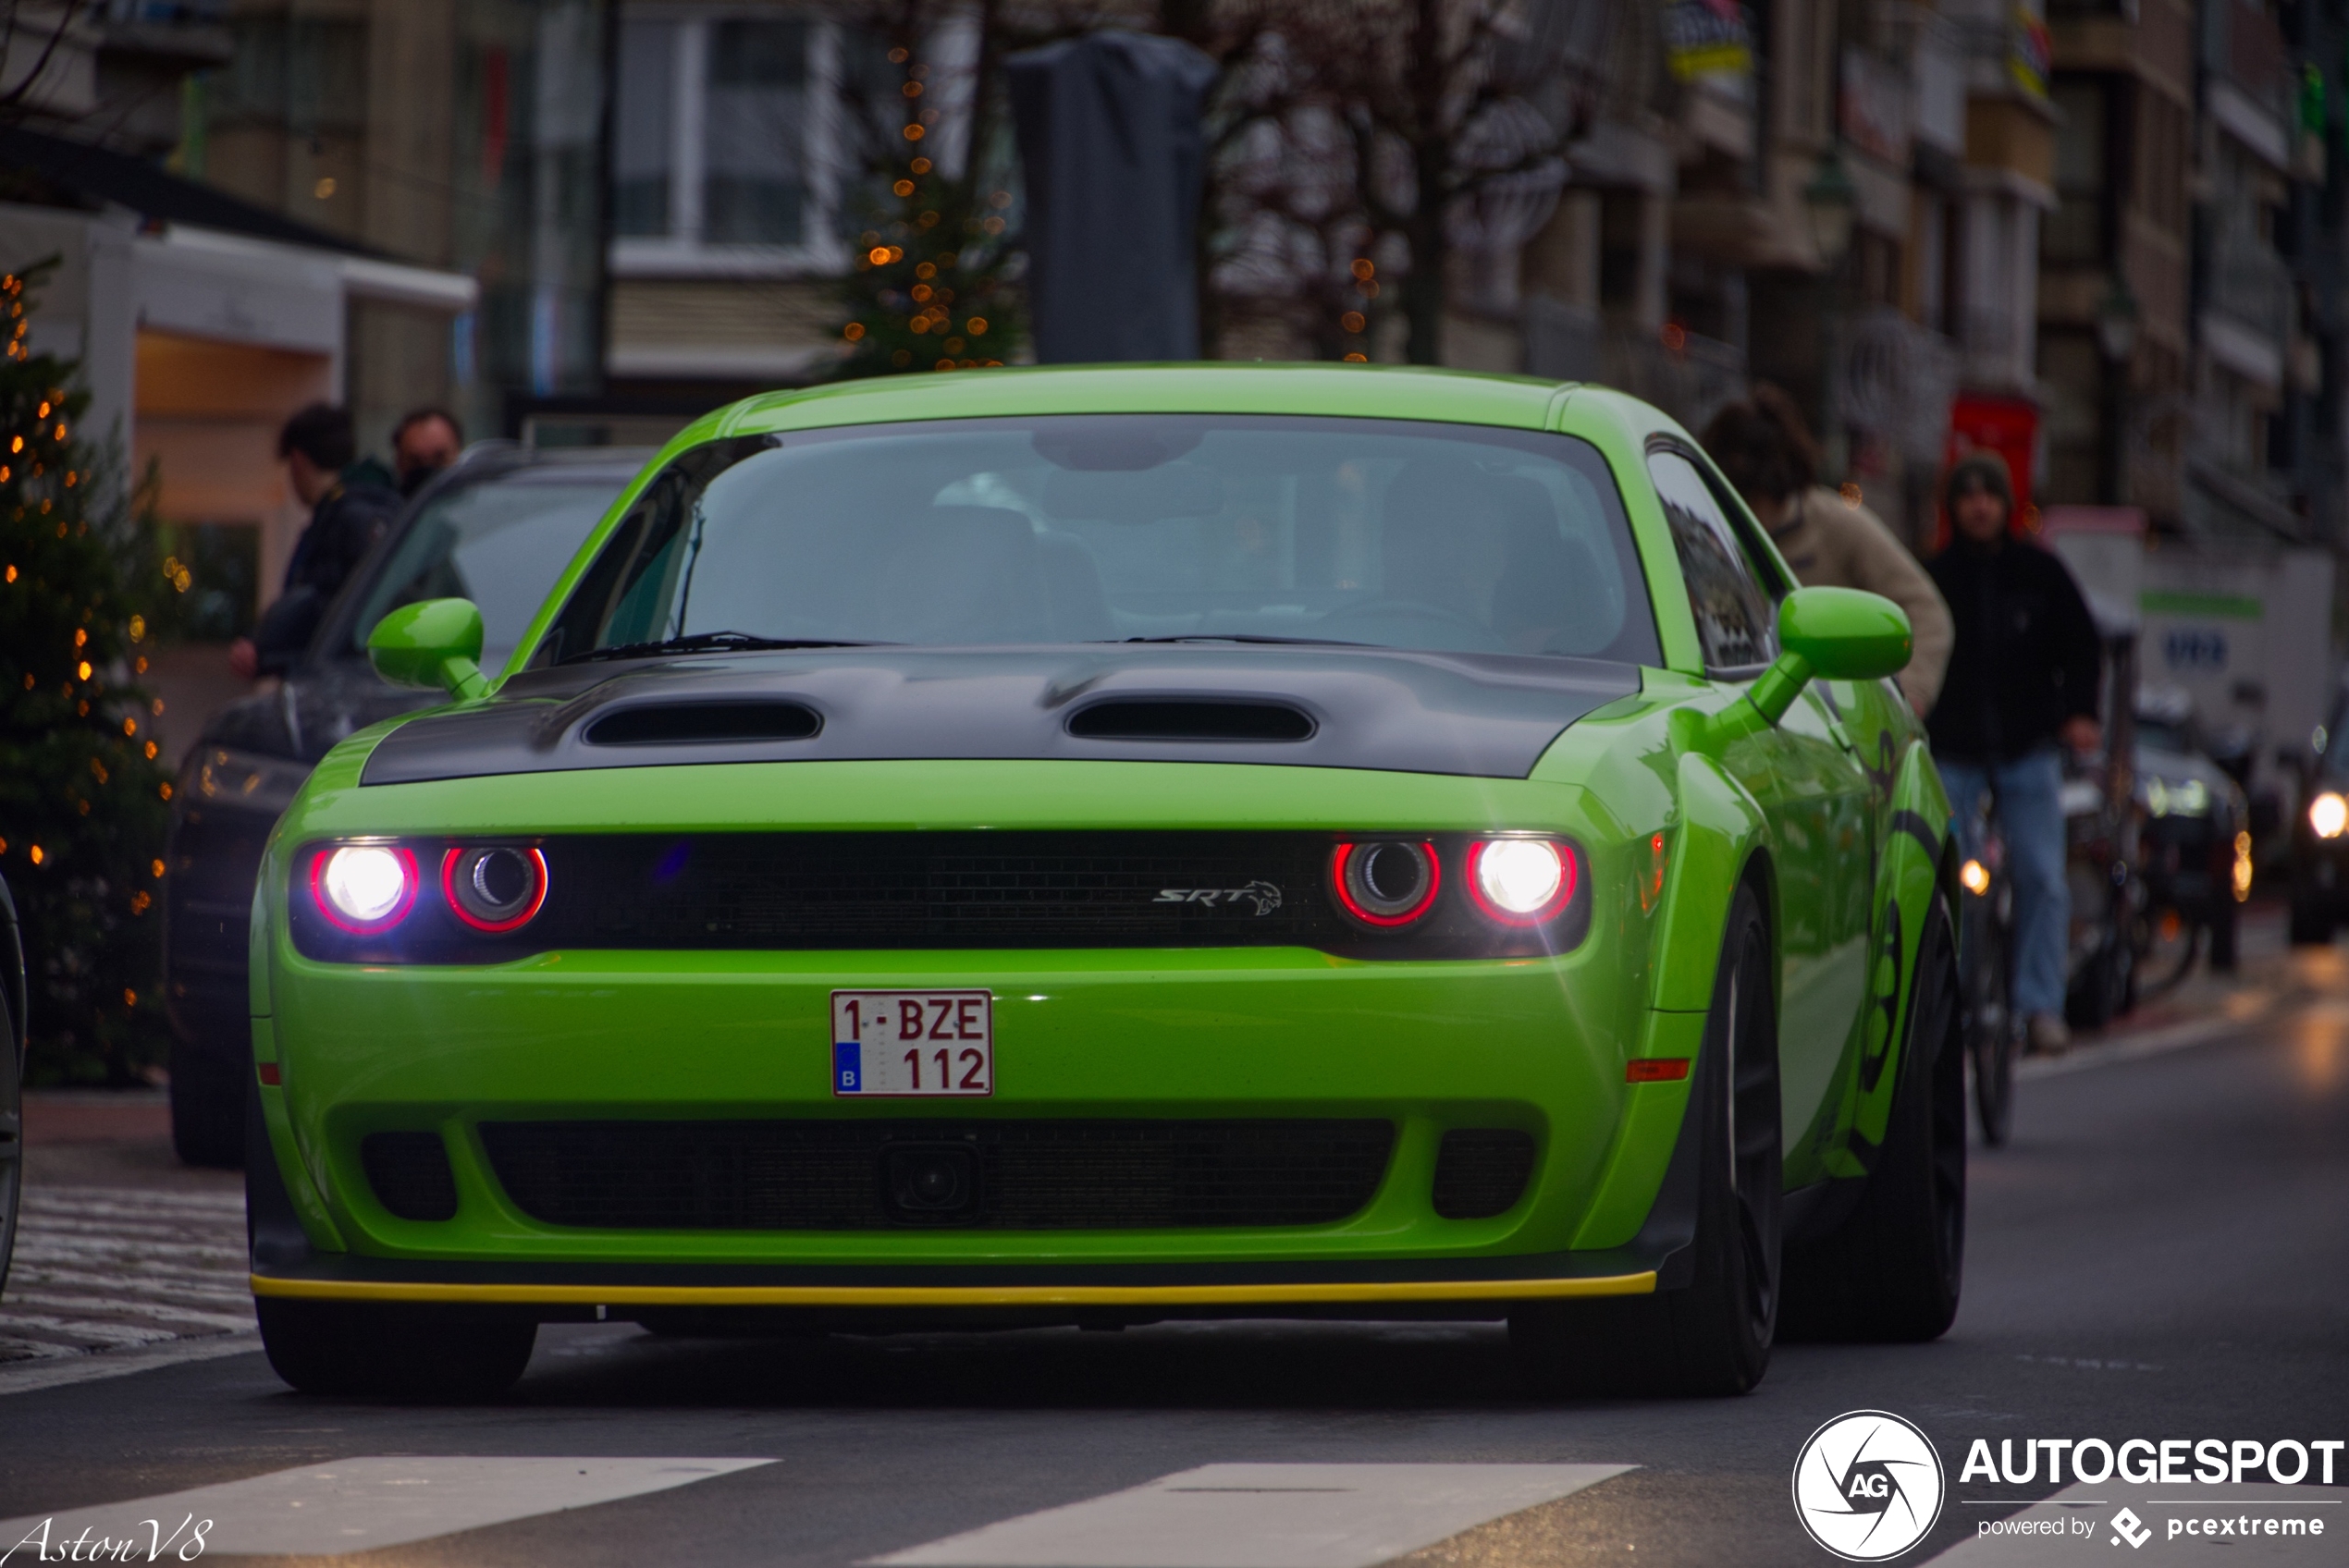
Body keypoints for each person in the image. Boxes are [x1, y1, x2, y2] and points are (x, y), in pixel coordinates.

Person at [1927, 450, 2103, 1054]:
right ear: (1954, 506)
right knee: (1945, 877)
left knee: (2042, 877)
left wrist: (2081, 713)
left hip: (2028, 750)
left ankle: (2039, 1007)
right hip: (1952, 750)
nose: (1979, 505)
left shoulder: (2040, 574)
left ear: (2007, 503)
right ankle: (1949, 998)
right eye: (1968, 495)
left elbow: (2082, 646)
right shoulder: (1934, 577)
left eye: (1990, 494)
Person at [1702, 386, 1953, 715]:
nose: (1745, 515)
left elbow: (1926, 612)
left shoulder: (1837, 525)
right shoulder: (1706, 535)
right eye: (1733, 500)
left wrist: (1906, 697)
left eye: (1753, 499)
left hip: (1831, 723)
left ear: (1780, 481)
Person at [229, 404, 403, 680]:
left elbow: (319, 604)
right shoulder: (365, 511)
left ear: (298, 461)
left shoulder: (345, 519)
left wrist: (267, 644)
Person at [392, 406, 464, 497]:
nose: (428, 470)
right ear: (399, 462)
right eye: (415, 462)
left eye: (439, 459)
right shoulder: (384, 508)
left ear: (458, 455)